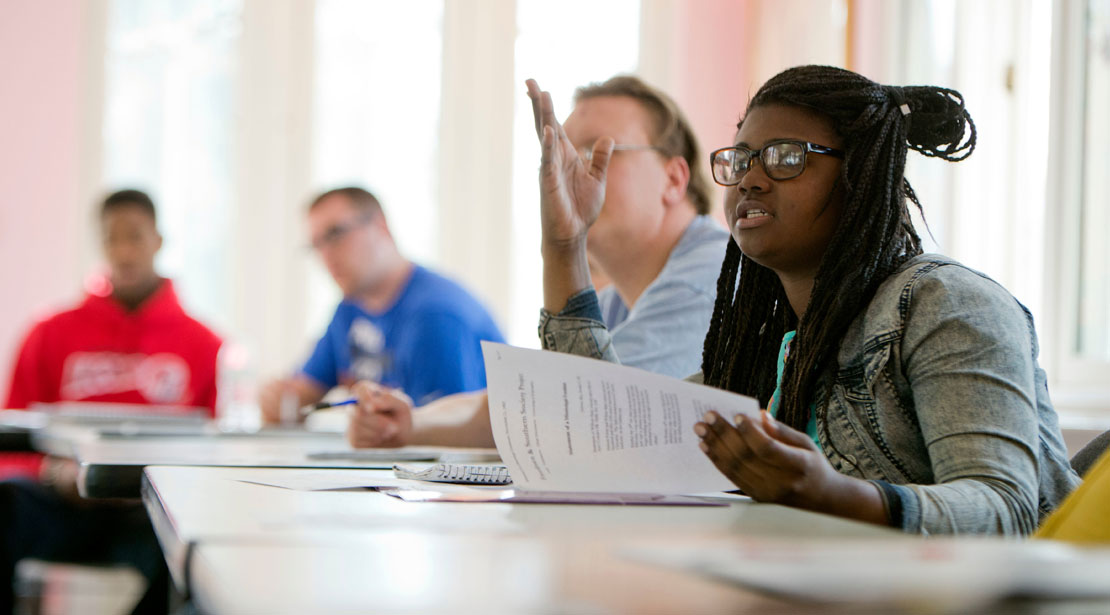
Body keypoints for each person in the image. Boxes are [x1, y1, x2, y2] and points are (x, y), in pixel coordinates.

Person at [350, 66, 1082, 536]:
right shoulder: (768, 342)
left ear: (862, 178)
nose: (751, 179)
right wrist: (564, 246)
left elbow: (1006, 508)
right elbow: (602, 425)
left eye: (787, 158)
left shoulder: (949, 305)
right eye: (742, 159)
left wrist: (835, 495)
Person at [345, 76, 730, 449]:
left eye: (599, 152)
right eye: (565, 154)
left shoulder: (709, 277)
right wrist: (410, 423)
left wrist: (564, 244)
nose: (573, 172)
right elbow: (536, 403)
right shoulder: (618, 300)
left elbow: (586, 420)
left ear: (674, 178)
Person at [1, 189, 222, 614]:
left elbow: (216, 455)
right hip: (63, 506)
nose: (123, 251)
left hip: (151, 517)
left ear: (159, 240)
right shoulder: (48, 333)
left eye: (135, 236)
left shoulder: (204, 345)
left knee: (200, 553)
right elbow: (10, 442)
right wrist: (53, 474)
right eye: (111, 239)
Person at [260, 187, 505, 423]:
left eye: (335, 234)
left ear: (380, 226)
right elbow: (303, 393)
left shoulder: (437, 317)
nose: (326, 255)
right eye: (316, 245)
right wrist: (280, 401)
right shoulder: (349, 309)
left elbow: (450, 438)